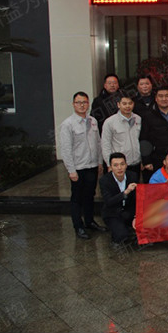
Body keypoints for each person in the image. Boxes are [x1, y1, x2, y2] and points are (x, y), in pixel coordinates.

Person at [59, 91, 106, 239]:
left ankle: (90, 221)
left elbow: (98, 143)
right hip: (78, 168)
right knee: (77, 198)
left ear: (88, 104)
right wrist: (71, 170)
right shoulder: (68, 124)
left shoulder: (93, 121)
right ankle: (78, 226)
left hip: (92, 165)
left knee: (90, 196)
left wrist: (99, 162)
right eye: (78, 102)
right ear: (73, 104)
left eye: (84, 102)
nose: (82, 105)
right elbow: (66, 149)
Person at [140, 85, 168, 181]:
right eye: (161, 96)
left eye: (167, 96)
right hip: (156, 159)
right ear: (156, 98)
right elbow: (144, 139)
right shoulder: (148, 115)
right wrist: (146, 160)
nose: (164, 99)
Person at [99, 152, 138, 247]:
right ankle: (120, 232)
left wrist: (136, 216)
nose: (119, 168)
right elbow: (109, 201)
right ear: (110, 167)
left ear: (126, 165)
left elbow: (136, 199)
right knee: (122, 236)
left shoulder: (133, 176)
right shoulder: (104, 180)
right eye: (115, 165)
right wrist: (125, 192)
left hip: (128, 211)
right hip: (113, 213)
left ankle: (127, 230)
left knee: (145, 228)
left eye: (122, 164)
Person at [101, 93, 142, 174]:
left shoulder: (138, 119)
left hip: (136, 163)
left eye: (130, 103)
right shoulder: (110, 122)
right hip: (119, 165)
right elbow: (105, 144)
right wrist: (109, 164)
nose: (127, 106)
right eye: (124, 104)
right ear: (118, 105)